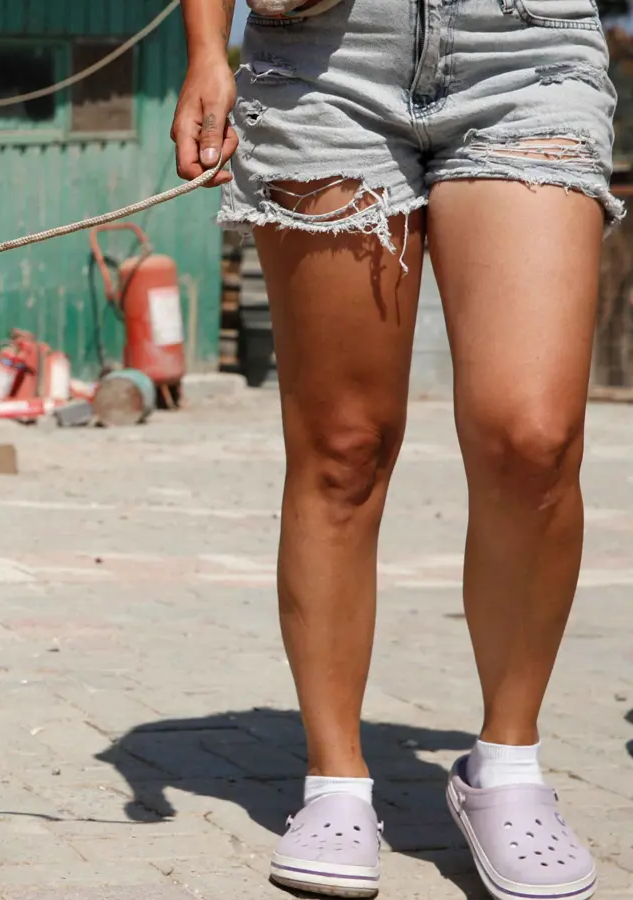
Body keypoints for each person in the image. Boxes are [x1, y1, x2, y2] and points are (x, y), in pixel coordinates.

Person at [172, 1, 618, 898]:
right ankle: (335, 782)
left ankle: (508, 765)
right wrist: (206, 48)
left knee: (533, 438)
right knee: (342, 445)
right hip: (326, 55)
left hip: (527, 48)